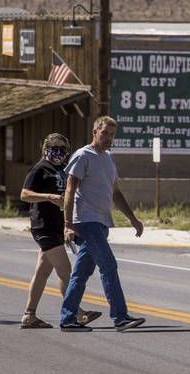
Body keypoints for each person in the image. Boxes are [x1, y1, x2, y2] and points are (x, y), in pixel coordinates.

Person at [58, 116, 147, 332]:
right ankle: (120, 317)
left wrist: (132, 219)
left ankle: (68, 318)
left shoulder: (108, 157)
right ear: (94, 132)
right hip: (86, 222)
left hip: (101, 222)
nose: (108, 137)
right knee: (109, 266)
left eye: (112, 134)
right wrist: (67, 224)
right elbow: (70, 190)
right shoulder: (82, 156)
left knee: (81, 274)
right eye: (105, 133)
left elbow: (115, 193)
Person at [18, 133, 101, 329]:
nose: (58, 152)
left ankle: (29, 315)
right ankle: (78, 313)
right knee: (66, 272)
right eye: (54, 147)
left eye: (62, 148)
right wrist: (48, 196)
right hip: (43, 225)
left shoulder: (64, 169)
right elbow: (24, 194)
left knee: (42, 272)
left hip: (58, 225)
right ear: (45, 148)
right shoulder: (40, 168)